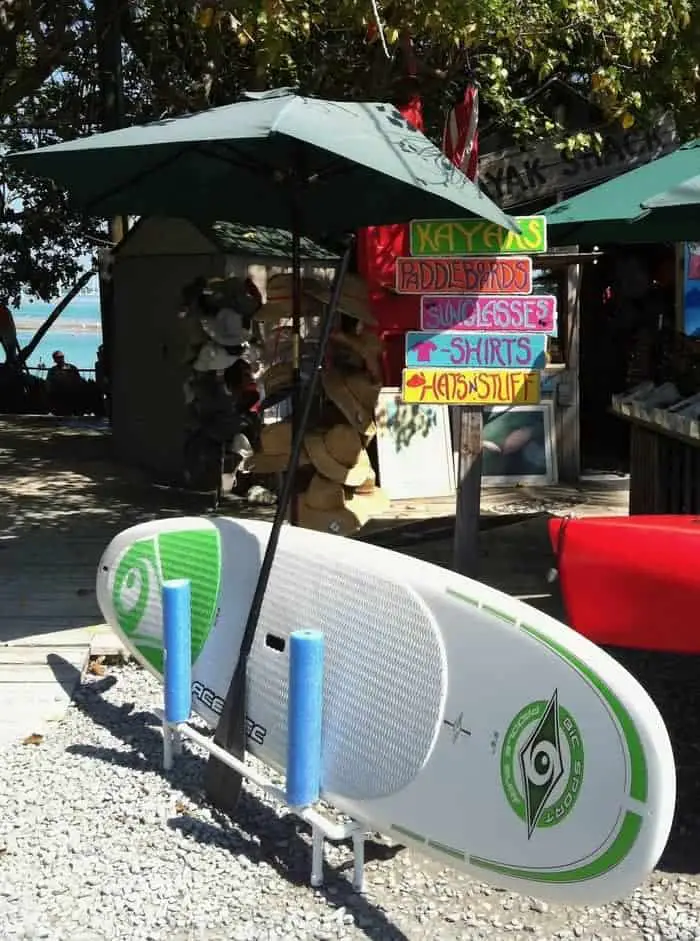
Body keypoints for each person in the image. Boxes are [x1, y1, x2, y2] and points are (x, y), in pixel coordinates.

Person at [46, 350, 83, 415]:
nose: (61, 359)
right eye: (58, 357)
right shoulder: (52, 370)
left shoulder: (72, 368)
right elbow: (49, 384)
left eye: (62, 357)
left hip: (72, 395)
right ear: (54, 359)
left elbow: (78, 380)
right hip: (58, 395)